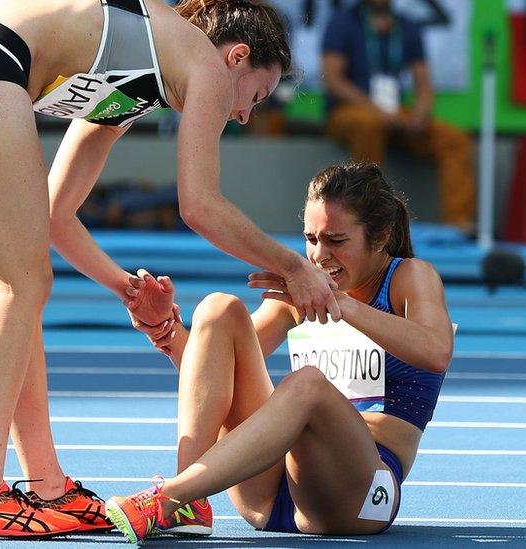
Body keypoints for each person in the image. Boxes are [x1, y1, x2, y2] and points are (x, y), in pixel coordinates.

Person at [0, 0, 341, 539]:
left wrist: (127, 288)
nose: (242, 115)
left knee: (11, 293)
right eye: (256, 96)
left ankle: (48, 487)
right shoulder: (206, 67)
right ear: (236, 58)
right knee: (18, 289)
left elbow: (57, 214)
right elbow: (200, 206)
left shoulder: (135, 78)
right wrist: (294, 266)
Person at [108, 161, 453, 542]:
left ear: (382, 235)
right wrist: (166, 330)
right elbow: (215, 371)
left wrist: (342, 305)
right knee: (218, 309)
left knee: (308, 384)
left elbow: (436, 351)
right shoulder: (298, 295)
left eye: (336, 241)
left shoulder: (410, 277)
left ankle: (170, 496)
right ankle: (189, 502)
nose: (320, 256)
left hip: (361, 494)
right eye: (311, 239)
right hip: (270, 491)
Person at [322, 0, 476, 232]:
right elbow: (334, 81)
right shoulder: (342, 23)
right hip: (350, 112)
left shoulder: (407, 26)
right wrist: (376, 110)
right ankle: (367, 221)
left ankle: (458, 226)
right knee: (368, 126)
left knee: (455, 139)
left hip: (393, 113)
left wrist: (420, 113)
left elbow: (423, 83)